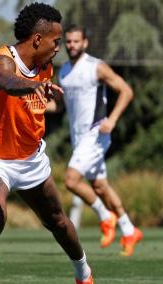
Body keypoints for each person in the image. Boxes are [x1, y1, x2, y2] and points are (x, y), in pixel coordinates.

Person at [0, 3, 96, 284]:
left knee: (58, 221)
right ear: (37, 39)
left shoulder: (46, 66)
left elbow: (38, 105)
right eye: (56, 41)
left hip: (30, 159)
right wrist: (33, 85)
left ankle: (84, 275)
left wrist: (51, 94)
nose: (59, 47)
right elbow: (7, 81)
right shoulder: (0, 63)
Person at [48, 24, 143, 256]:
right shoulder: (63, 72)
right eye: (68, 42)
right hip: (79, 138)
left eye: (76, 41)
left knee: (71, 180)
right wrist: (32, 106)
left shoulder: (96, 67)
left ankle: (105, 216)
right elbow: (58, 106)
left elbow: (126, 91)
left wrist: (112, 119)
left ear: (85, 43)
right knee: (100, 185)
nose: (72, 45)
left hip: (96, 134)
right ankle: (129, 230)